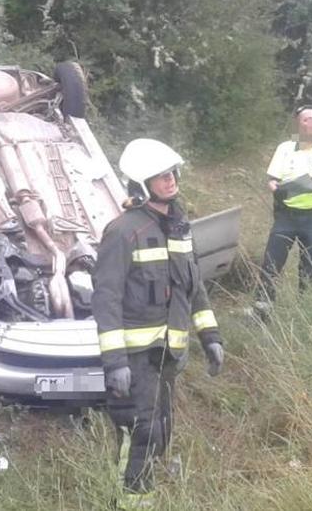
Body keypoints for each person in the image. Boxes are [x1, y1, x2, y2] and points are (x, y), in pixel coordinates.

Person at [93, 138, 225, 509]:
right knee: (140, 431)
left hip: (168, 354)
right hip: (135, 357)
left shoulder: (179, 226)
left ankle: (147, 490)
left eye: (171, 174)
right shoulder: (123, 232)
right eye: (160, 177)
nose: (170, 181)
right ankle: (132, 502)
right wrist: (115, 362)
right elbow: (106, 298)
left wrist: (210, 336)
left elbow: (193, 287)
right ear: (141, 185)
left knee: (161, 430)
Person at [253, 106, 312, 317]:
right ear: (299, 124)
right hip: (286, 215)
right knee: (271, 262)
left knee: (310, 267)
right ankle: (262, 311)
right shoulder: (285, 148)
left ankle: (305, 312)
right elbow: (272, 180)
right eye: (307, 119)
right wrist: (276, 190)